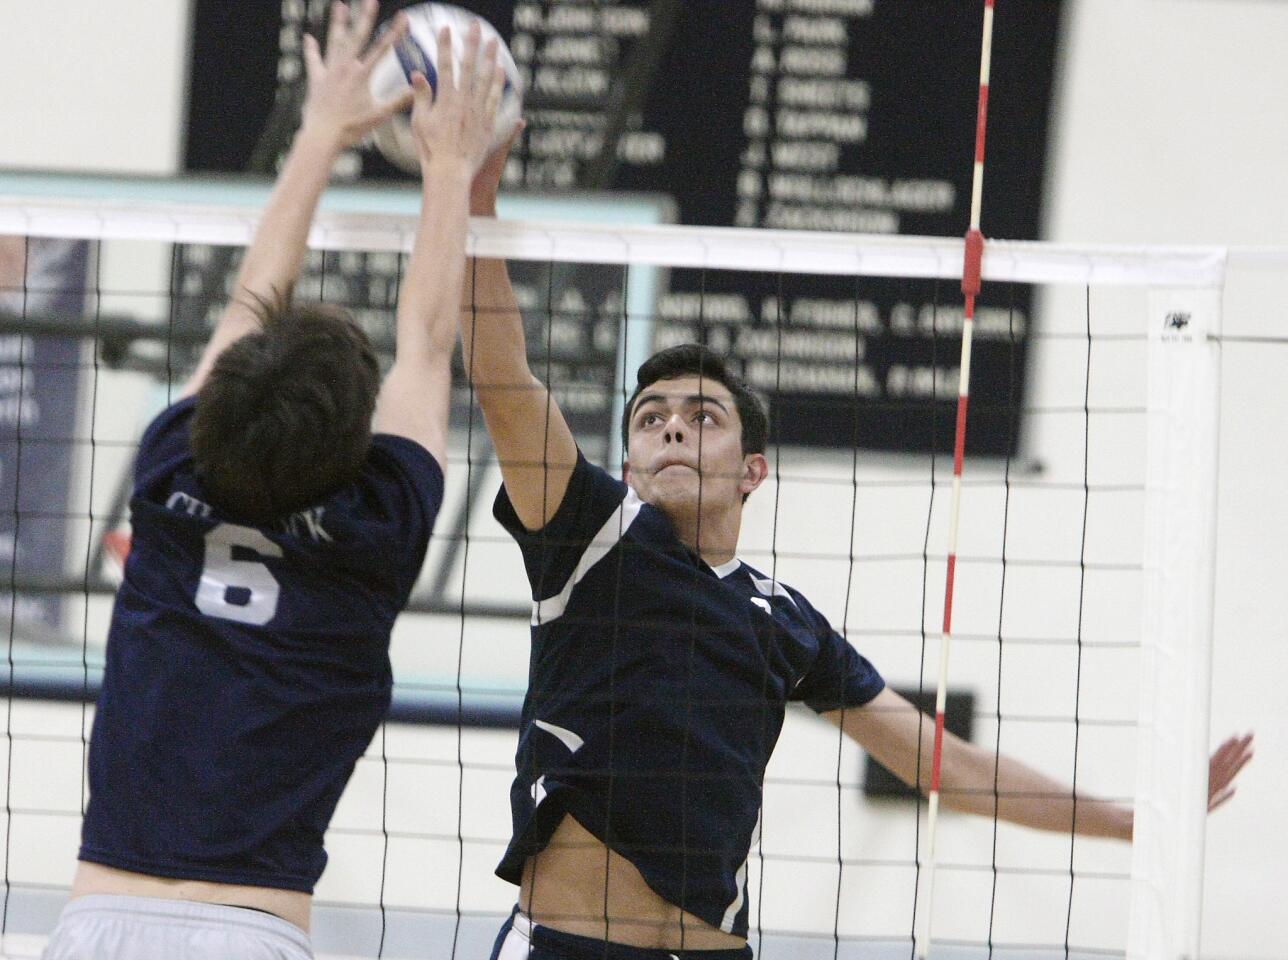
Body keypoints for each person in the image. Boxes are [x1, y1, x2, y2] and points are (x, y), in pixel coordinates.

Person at [459, 141, 1256, 959]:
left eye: (704, 417)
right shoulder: (589, 533)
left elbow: (946, 764)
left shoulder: (783, 619)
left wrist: (1135, 822)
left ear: (752, 471)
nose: (671, 425)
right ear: (627, 463)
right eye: (651, 415)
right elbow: (501, 376)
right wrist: (473, 200)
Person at [42, 5, 507, 958]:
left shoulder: (172, 471)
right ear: (356, 436)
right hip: (249, 931)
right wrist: (452, 168)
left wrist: (323, 130)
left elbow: (254, 296)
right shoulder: (380, 526)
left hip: (93, 926)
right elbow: (425, 342)